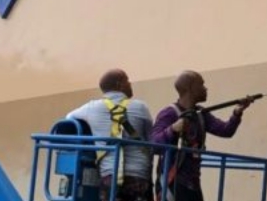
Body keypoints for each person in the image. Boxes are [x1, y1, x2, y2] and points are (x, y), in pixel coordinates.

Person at [149, 70, 252, 201]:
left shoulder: (201, 114)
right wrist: (173, 129)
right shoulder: (169, 113)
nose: (205, 88)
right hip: (172, 183)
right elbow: (153, 145)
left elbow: (226, 131)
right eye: (202, 84)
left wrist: (237, 113)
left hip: (193, 184)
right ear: (190, 88)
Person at [65, 69, 155, 201]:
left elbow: (68, 119)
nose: (130, 84)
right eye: (127, 80)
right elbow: (151, 140)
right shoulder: (141, 107)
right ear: (120, 85)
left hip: (109, 177)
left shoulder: (91, 108)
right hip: (139, 176)